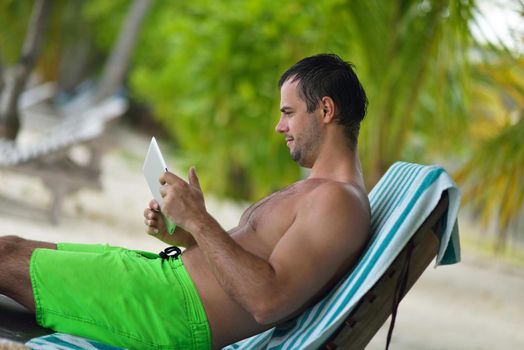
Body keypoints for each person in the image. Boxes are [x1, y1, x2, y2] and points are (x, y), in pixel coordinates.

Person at [0, 53, 371, 350]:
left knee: (5, 256)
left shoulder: (337, 202)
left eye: (288, 113)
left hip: (165, 311)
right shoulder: (321, 192)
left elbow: (267, 301)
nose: (279, 127)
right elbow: (246, 270)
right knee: (10, 249)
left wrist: (198, 220)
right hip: (160, 290)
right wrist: (185, 235)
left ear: (325, 110)